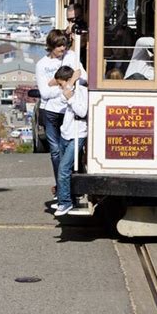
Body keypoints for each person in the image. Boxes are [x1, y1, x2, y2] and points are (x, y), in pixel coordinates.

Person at [35, 29, 85, 202]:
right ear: (51, 46)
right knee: (55, 151)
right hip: (51, 112)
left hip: (69, 112)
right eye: (58, 46)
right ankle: (61, 187)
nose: (62, 49)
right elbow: (45, 93)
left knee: (69, 150)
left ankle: (67, 187)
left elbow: (82, 77)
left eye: (64, 45)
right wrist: (67, 84)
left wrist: (56, 83)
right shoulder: (42, 64)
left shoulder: (70, 57)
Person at [52, 66, 88, 217]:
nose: (60, 88)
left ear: (66, 80)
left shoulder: (82, 92)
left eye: (61, 84)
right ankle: (66, 199)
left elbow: (82, 111)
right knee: (65, 169)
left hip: (77, 134)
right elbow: (61, 99)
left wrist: (71, 97)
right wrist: (70, 84)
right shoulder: (69, 89)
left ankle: (65, 202)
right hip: (65, 133)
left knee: (64, 170)